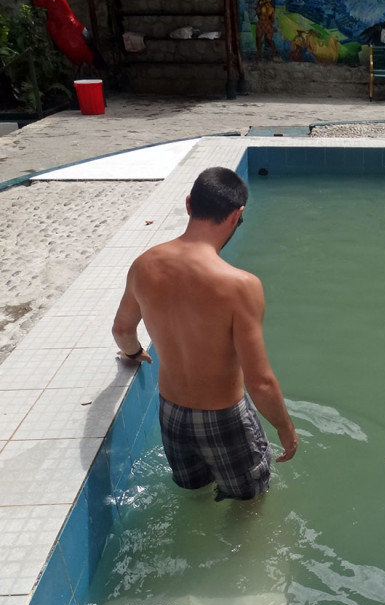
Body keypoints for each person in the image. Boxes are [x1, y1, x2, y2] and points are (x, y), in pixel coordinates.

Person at [112, 167, 298, 502]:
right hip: (224, 419)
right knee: (249, 503)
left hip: (172, 416)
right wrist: (285, 428)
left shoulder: (144, 265)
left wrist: (132, 354)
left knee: (194, 497)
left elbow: (123, 330)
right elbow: (260, 382)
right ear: (237, 214)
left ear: (188, 204)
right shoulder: (240, 285)